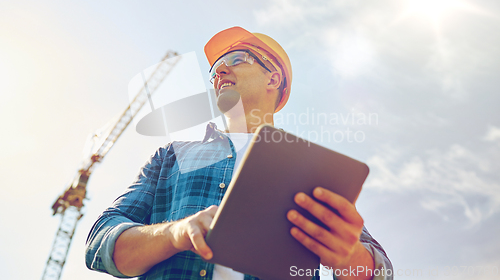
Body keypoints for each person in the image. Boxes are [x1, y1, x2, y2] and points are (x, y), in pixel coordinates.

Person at [85, 26, 393, 280]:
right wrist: (175, 234)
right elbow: (100, 243)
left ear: (273, 78)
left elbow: (380, 272)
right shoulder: (171, 157)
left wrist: (348, 256)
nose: (220, 71)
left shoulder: (310, 172)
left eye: (235, 58)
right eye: (214, 69)